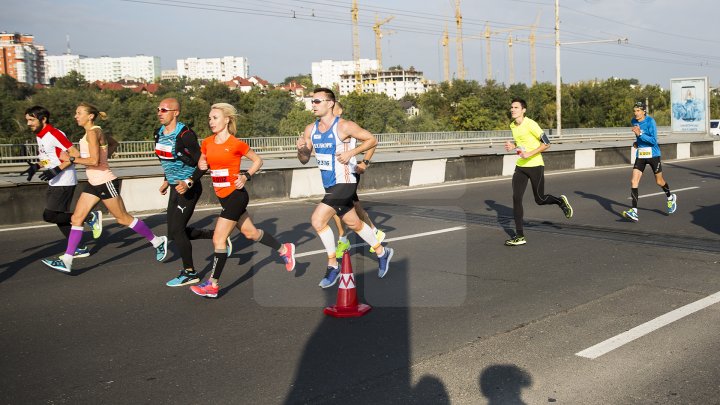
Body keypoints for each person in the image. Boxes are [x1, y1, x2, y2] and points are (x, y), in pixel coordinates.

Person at [41, 102, 168, 273]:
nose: (75, 116)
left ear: (90, 116)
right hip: (94, 182)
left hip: (105, 182)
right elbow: (113, 144)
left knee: (123, 219)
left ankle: (157, 241)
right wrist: (103, 156)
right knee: (76, 219)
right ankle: (67, 260)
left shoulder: (94, 132)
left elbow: (94, 161)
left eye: (79, 113)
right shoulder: (94, 132)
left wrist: (71, 159)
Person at [190, 103, 296, 298]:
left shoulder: (236, 144)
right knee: (251, 233)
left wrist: (246, 175)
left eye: (215, 118)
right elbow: (202, 163)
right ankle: (284, 249)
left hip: (236, 196)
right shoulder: (207, 142)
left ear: (227, 119)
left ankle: (213, 284)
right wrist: (200, 163)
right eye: (210, 118)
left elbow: (258, 161)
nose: (210, 121)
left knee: (219, 239)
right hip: (222, 196)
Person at [297, 88, 393, 288]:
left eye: (317, 101)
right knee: (354, 224)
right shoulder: (310, 130)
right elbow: (305, 160)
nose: (312, 105)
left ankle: (333, 265)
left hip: (346, 182)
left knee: (317, 220)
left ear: (330, 103)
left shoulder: (344, 126)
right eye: (311, 101)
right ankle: (382, 252)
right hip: (330, 184)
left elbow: (372, 139)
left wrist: (353, 153)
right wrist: (302, 150)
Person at [154, 98, 219, 287]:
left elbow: (203, 163)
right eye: (158, 109)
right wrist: (166, 180)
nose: (160, 112)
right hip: (175, 186)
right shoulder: (158, 133)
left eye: (164, 110)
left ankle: (190, 272)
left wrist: (189, 182)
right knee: (173, 233)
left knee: (177, 230)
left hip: (189, 186)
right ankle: (215, 235)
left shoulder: (185, 135)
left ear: (175, 112)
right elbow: (165, 159)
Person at [21, 106, 103, 258]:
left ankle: (89, 217)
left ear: (43, 119)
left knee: (50, 215)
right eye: (27, 120)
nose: (28, 123)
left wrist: (57, 170)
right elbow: (51, 157)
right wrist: (37, 166)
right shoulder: (40, 135)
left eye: (31, 120)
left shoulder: (54, 134)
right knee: (59, 217)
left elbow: (74, 154)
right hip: (55, 180)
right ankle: (79, 248)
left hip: (64, 181)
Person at [503, 98, 573, 246]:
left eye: (516, 107)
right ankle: (520, 236)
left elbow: (546, 143)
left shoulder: (531, 124)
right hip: (521, 166)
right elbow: (523, 142)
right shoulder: (512, 125)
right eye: (511, 107)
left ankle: (560, 201)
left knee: (540, 199)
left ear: (523, 110)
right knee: (516, 198)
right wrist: (513, 145)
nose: (512, 109)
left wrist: (530, 154)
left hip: (535, 165)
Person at [330, 101, 386, 259]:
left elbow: (372, 142)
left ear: (339, 111)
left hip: (349, 173)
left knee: (336, 206)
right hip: (335, 175)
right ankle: (375, 232)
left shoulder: (347, 127)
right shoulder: (326, 130)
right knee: (353, 207)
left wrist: (364, 162)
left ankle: (343, 239)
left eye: (333, 110)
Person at [621, 101, 676, 221]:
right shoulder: (634, 121)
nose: (636, 113)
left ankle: (670, 197)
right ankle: (634, 211)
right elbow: (639, 138)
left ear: (644, 111)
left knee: (659, 181)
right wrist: (637, 142)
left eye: (638, 111)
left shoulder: (651, 122)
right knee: (633, 181)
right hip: (641, 154)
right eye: (634, 111)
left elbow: (653, 141)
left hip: (653, 154)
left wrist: (640, 134)